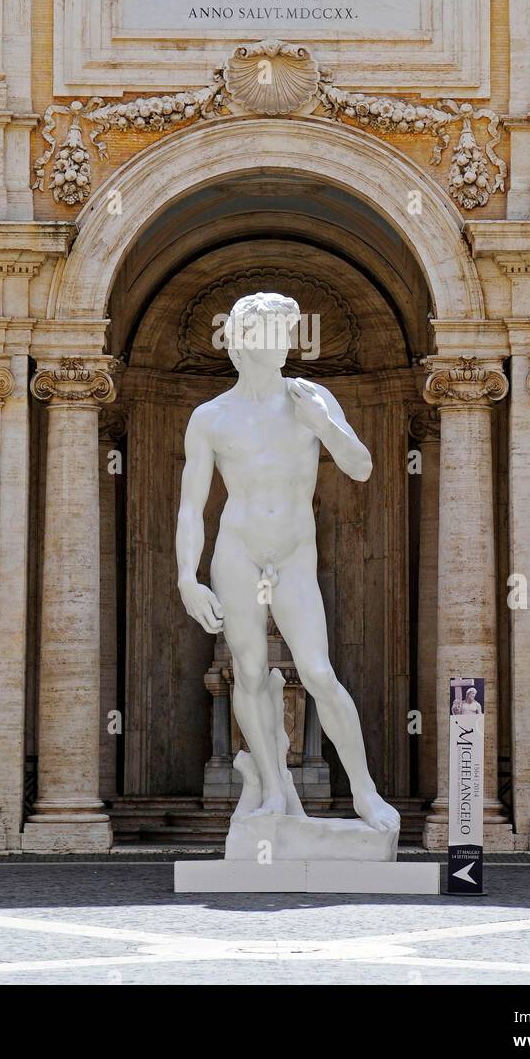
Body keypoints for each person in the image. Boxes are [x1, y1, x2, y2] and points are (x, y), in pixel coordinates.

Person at [176, 291, 400, 833]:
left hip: (295, 552)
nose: (286, 341)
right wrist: (187, 577)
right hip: (237, 549)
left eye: (288, 330)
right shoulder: (210, 417)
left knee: (319, 673)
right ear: (244, 340)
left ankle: (366, 794)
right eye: (275, 331)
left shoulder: (310, 398)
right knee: (248, 672)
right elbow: (191, 505)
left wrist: (326, 424)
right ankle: (275, 789)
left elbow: (362, 467)